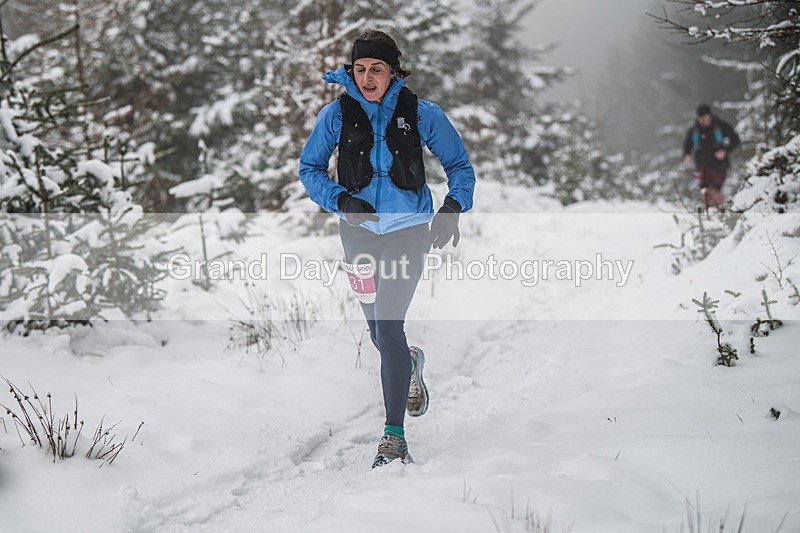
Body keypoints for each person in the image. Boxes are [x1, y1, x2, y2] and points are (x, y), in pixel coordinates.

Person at [299, 30, 476, 468]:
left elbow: (459, 166)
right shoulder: (336, 115)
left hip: (409, 232)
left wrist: (453, 206)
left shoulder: (422, 113)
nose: (367, 77)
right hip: (356, 234)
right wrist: (340, 200)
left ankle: (393, 436)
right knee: (378, 332)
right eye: (359, 69)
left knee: (390, 327)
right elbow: (309, 168)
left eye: (376, 68)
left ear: (393, 71)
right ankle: (410, 364)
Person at [682, 104, 740, 212]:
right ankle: (708, 216)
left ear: (710, 116)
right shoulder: (694, 130)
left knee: (716, 189)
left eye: (705, 117)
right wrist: (687, 154)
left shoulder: (721, 126)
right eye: (701, 118)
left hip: (719, 164)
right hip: (701, 164)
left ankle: (720, 212)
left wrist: (725, 150)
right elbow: (687, 143)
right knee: (704, 191)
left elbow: (735, 140)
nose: (703, 120)